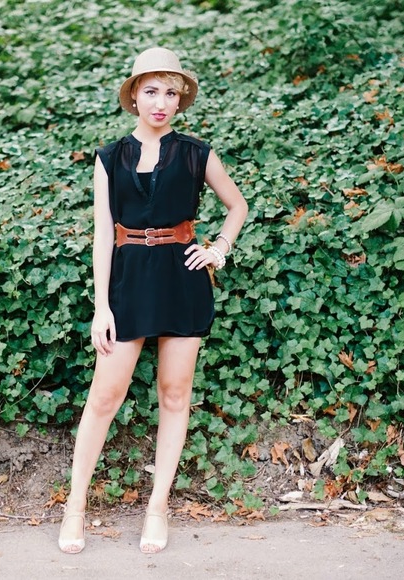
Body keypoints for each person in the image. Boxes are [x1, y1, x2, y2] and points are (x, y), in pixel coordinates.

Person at [58, 47, 248, 554]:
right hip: (128, 282)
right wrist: (101, 306)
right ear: (134, 96)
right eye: (151, 91)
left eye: (170, 92)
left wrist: (219, 249)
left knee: (175, 394)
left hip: (182, 279)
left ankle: (157, 506)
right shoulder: (109, 157)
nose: (160, 102)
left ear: (180, 99)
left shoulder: (196, 153)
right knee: (104, 395)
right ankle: (75, 505)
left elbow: (237, 205)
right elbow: (103, 235)